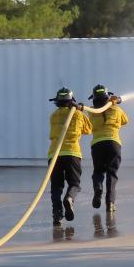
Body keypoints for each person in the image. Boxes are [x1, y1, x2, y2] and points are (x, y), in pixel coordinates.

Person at [48, 87, 92, 226]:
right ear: (71, 101)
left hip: (54, 154)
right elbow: (88, 129)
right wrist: (79, 110)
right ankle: (69, 198)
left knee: (56, 187)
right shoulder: (78, 115)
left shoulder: (54, 116)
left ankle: (57, 215)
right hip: (72, 153)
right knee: (74, 183)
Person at [87, 84, 128, 213]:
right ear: (107, 96)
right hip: (113, 144)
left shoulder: (91, 111)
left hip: (97, 144)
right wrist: (114, 103)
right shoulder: (116, 109)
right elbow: (125, 121)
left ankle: (98, 188)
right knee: (112, 173)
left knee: (98, 171)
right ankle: (110, 202)